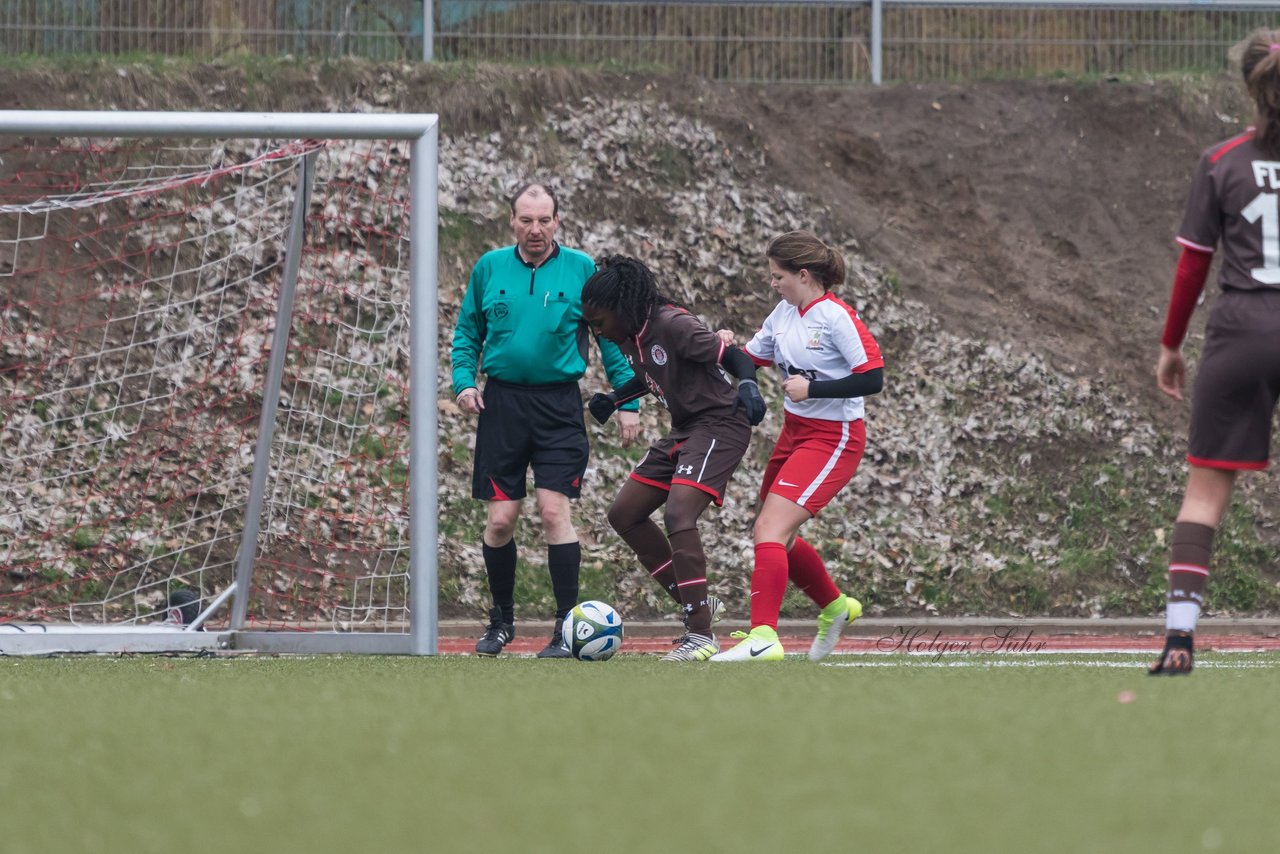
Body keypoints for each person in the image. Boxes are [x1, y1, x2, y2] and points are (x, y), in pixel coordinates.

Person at [450, 182, 641, 658]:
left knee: (555, 513)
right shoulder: (488, 268)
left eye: (544, 220)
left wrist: (628, 401)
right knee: (500, 521)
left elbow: (611, 338)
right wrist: (463, 382)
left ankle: (565, 628)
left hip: (559, 408)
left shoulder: (581, 268)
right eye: (526, 220)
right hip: (502, 407)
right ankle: (501, 621)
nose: (535, 229)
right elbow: (467, 332)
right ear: (512, 221)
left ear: (557, 221)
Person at [1149, 30, 1280, 676]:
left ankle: (1179, 639)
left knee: (1204, 495)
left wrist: (1171, 345)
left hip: (1242, 331)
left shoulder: (1221, 160)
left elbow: (1191, 270)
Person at [709, 230, 884, 663]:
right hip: (795, 432)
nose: (773, 284)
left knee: (769, 530)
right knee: (775, 536)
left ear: (803, 275)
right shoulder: (785, 312)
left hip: (834, 439)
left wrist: (816, 386)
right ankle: (837, 607)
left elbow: (873, 377)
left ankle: (763, 637)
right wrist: (723, 347)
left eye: (777, 276)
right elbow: (751, 357)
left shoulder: (836, 317)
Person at [581, 255, 767, 661]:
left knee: (679, 514)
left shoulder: (673, 325)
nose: (598, 332)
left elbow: (732, 356)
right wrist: (615, 399)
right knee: (624, 514)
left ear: (622, 308)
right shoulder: (629, 335)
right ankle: (697, 600)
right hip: (684, 429)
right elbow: (650, 376)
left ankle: (701, 635)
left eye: (599, 323)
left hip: (721, 424)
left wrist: (749, 386)